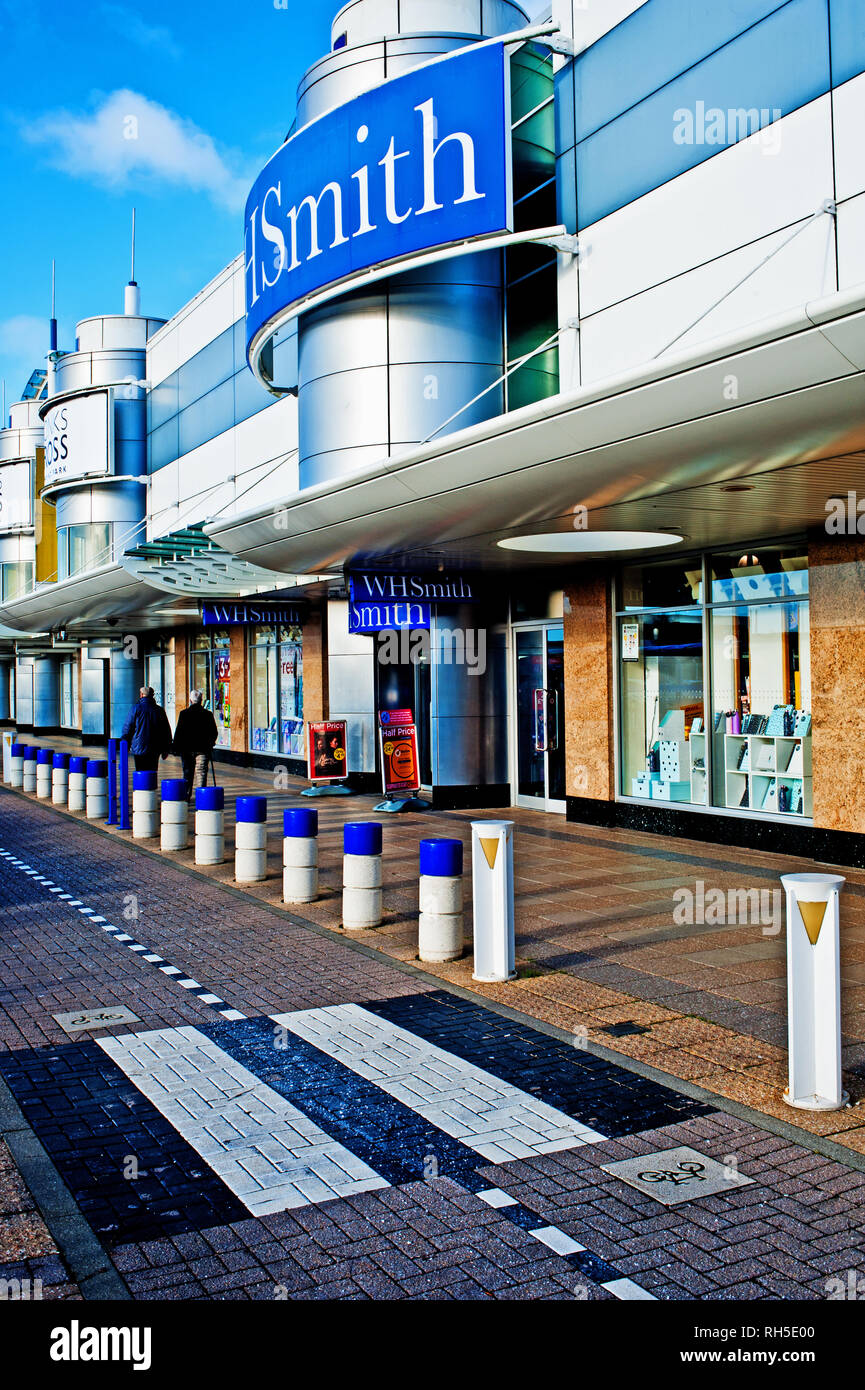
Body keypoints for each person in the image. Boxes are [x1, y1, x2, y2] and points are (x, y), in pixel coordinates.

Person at [172, 690, 218, 802]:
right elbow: (214, 732)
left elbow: (179, 732)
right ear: (201, 701)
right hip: (203, 749)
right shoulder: (208, 714)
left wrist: (175, 747)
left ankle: (187, 795)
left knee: (187, 772)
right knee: (201, 772)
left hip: (187, 749)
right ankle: (201, 796)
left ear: (190, 700)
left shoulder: (184, 714)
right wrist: (210, 743)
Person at [121, 687, 173, 773]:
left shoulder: (136, 709)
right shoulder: (159, 710)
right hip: (155, 748)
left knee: (140, 772)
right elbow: (166, 731)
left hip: (139, 747)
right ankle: (151, 786)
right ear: (152, 696)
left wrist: (125, 742)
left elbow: (128, 727)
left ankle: (141, 786)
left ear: (141, 695)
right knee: (152, 772)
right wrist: (166, 749)